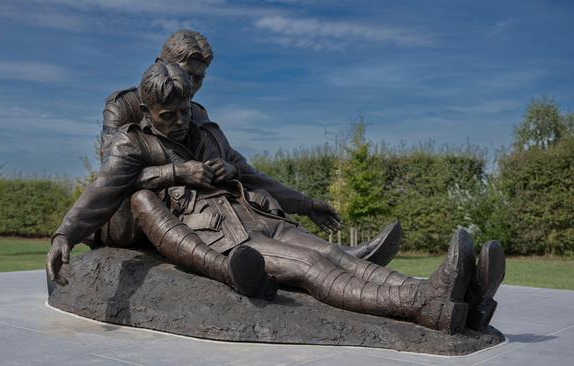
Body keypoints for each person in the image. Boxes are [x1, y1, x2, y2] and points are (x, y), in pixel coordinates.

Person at [48, 62, 505, 333]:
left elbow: (255, 175)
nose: (179, 122)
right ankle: (424, 305)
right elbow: (102, 192)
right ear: (147, 114)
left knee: (333, 253)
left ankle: (455, 294)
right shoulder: (134, 146)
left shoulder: (208, 131)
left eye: (184, 110)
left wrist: (308, 202)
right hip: (222, 237)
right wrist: (65, 234)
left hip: (254, 214)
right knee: (313, 269)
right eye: (168, 116)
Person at [97, 29, 400, 264]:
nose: (191, 85)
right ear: (160, 65)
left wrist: (306, 205)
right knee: (144, 195)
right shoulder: (122, 106)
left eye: (199, 79)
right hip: (135, 216)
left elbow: (245, 170)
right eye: (186, 74)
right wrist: (176, 173)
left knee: (248, 192)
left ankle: (333, 255)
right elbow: (113, 180)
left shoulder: (197, 113)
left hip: (188, 208)